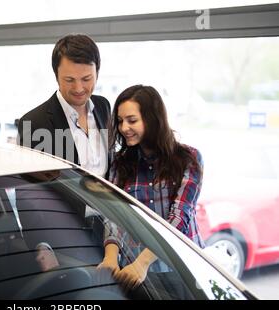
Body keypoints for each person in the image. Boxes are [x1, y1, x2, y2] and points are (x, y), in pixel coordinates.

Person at [97, 84, 205, 291]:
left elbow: (179, 218)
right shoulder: (121, 163)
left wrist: (143, 263)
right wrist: (110, 257)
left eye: (132, 120)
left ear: (152, 119)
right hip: (138, 273)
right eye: (120, 121)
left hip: (183, 268)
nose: (123, 128)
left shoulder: (189, 159)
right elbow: (114, 215)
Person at [18, 33, 111, 177]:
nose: (79, 88)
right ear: (56, 76)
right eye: (69, 80)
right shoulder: (34, 123)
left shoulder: (103, 106)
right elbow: (30, 191)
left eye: (86, 79)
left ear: (97, 73)